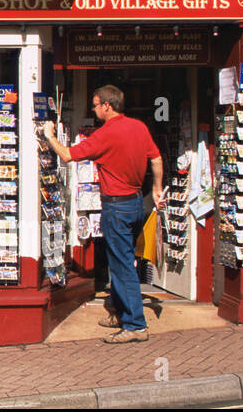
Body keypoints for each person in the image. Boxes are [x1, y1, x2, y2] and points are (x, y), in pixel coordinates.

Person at [43, 85, 164, 343]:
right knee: (122, 261)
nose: (94, 109)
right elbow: (156, 158)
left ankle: (135, 325)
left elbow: (67, 155)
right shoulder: (139, 127)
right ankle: (122, 313)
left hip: (117, 206)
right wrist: (156, 189)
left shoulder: (105, 133)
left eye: (96, 105)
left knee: (122, 268)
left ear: (107, 106)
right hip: (134, 202)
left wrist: (49, 135)